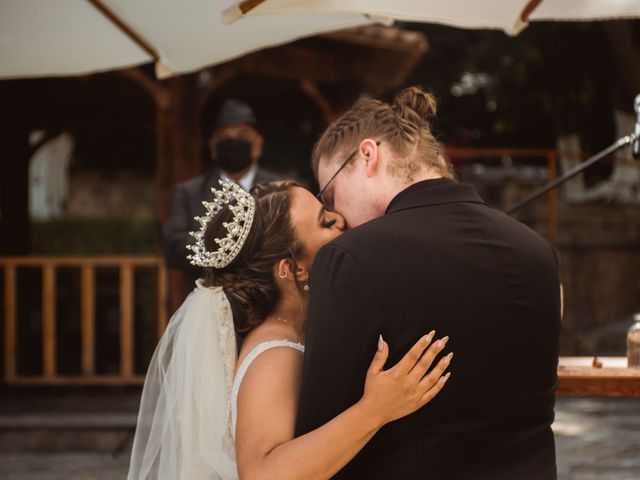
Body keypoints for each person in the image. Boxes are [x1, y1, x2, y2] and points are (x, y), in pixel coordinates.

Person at [295, 86, 561, 479]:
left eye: (330, 194)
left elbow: (320, 431)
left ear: (368, 155)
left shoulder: (351, 257)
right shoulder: (538, 250)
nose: (337, 217)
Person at [129, 179, 454, 480]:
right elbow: (262, 473)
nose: (341, 220)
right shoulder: (275, 354)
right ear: (293, 269)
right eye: (326, 222)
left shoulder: (290, 333)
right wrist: (375, 410)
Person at [163, 99, 285, 298]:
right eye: (225, 138)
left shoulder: (280, 190)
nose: (234, 141)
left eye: (242, 135)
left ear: (258, 145)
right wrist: (232, 247)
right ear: (213, 147)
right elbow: (174, 246)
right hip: (205, 305)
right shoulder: (188, 192)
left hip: (267, 303)